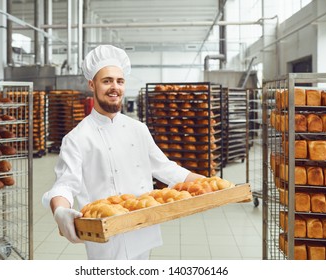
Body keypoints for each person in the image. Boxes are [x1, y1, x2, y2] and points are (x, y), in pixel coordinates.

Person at [42, 45, 204, 260]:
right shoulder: (77, 138)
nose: (114, 87)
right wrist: (60, 210)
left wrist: (207, 183)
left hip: (142, 229)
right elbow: (65, 184)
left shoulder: (138, 129)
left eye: (119, 81)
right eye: (107, 80)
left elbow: (166, 168)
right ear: (92, 84)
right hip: (106, 239)